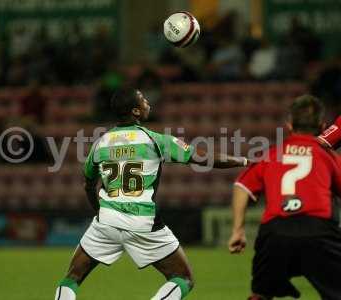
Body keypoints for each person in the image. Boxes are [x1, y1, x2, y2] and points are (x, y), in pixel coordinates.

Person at [54, 87, 248, 300]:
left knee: (71, 278)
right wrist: (244, 161)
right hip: (142, 221)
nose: (148, 102)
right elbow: (202, 158)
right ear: (136, 112)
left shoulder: (100, 144)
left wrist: (100, 211)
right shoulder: (154, 140)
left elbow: (88, 185)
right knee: (183, 278)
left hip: (106, 222)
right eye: (143, 100)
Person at [228, 95, 341, 300]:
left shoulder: (272, 153)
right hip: (319, 231)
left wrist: (238, 230)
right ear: (322, 125)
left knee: (260, 293)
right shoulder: (328, 156)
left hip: (275, 232)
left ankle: (273, 287)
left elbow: (241, 187)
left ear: (289, 125)